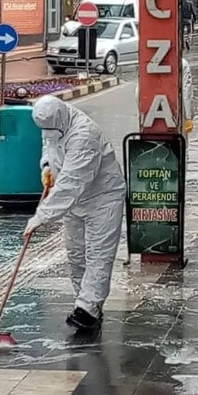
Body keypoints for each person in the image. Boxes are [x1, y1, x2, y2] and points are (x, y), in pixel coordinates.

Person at [26, 95, 125, 330]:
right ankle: (84, 302)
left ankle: (88, 308)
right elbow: (49, 144)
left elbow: (72, 184)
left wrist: (40, 217)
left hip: (102, 198)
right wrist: (47, 166)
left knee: (98, 254)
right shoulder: (52, 118)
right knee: (76, 253)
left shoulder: (84, 135)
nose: (46, 132)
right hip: (74, 201)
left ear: (59, 119)